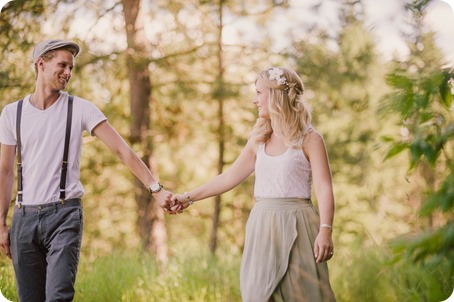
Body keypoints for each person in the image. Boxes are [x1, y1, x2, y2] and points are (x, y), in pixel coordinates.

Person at [0, 39, 172, 302]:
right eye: (62, 65)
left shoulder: (79, 108)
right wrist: (1, 222)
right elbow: (5, 172)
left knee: (58, 296)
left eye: (71, 67)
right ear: (41, 64)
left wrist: (156, 189)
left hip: (64, 215)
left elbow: (122, 150)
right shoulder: (13, 113)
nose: (68, 73)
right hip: (24, 219)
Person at [170, 66, 336, 301]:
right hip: (262, 226)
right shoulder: (259, 139)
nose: (254, 100)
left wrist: (325, 230)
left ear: (276, 96)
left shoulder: (310, 139)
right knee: (258, 294)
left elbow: (324, 187)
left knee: (303, 294)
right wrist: (187, 198)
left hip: (300, 225)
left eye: (259, 93)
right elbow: (229, 177)